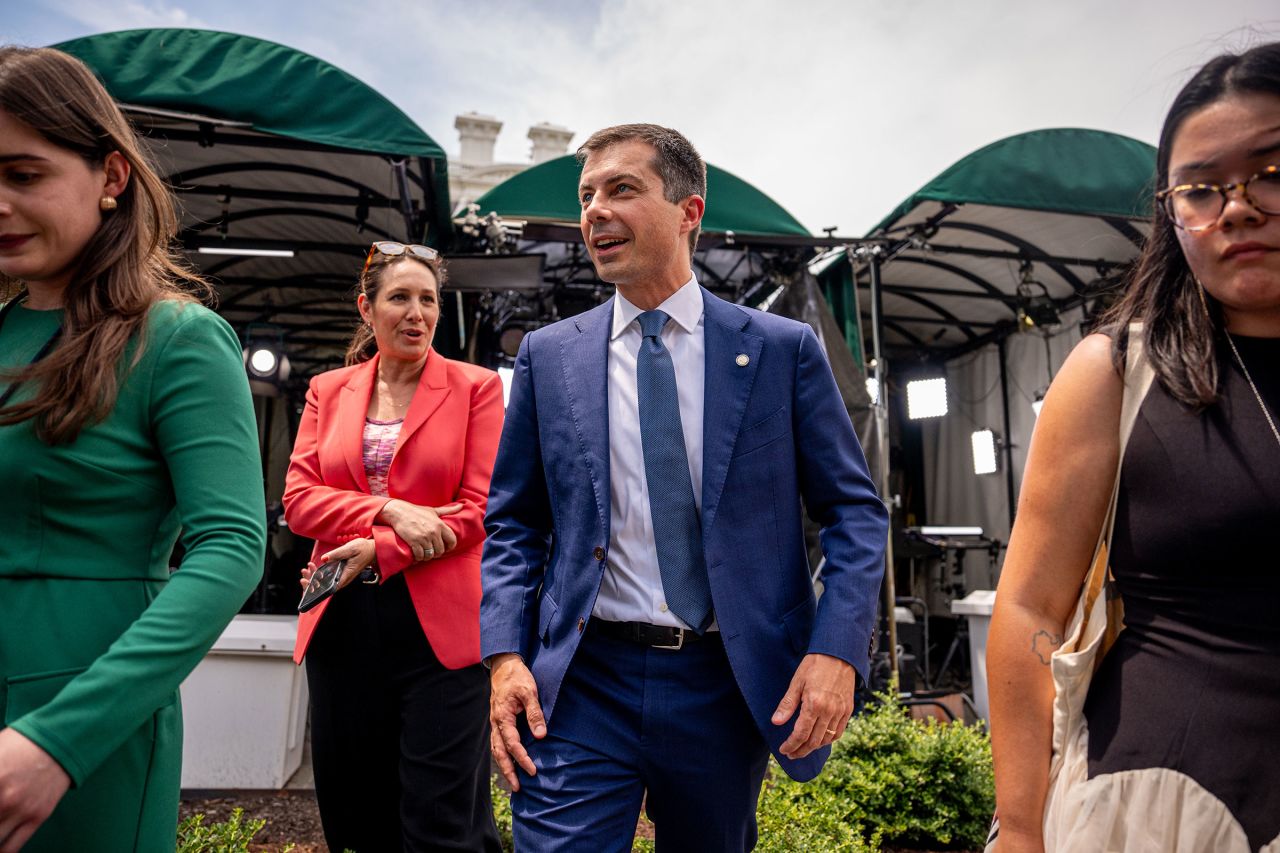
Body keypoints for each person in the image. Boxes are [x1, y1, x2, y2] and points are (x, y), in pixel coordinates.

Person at [480, 123, 888, 851]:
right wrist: (506, 654)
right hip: (581, 680)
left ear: (689, 211)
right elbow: (514, 521)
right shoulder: (549, 356)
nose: (595, 211)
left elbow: (854, 513)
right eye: (587, 196)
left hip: (723, 682)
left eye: (622, 189)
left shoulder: (780, 350)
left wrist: (837, 649)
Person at [988, 43, 1280, 852]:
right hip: (1155, 813)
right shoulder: (1121, 371)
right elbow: (1027, 606)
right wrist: (1020, 829)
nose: (1238, 207)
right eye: (1199, 188)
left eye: (1271, 170)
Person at [0, 47, 266, 852]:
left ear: (111, 175)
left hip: (83, 718)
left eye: (23, 174)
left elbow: (232, 548)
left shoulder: (179, 338)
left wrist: (62, 740)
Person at [283, 242, 504, 852]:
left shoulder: (476, 388)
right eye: (400, 298)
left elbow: (481, 510)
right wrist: (391, 511)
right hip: (342, 621)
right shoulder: (328, 390)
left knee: (442, 820)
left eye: (428, 299)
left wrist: (380, 549)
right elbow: (299, 500)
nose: (416, 312)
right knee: (355, 811)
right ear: (367, 308)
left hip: (441, 628)